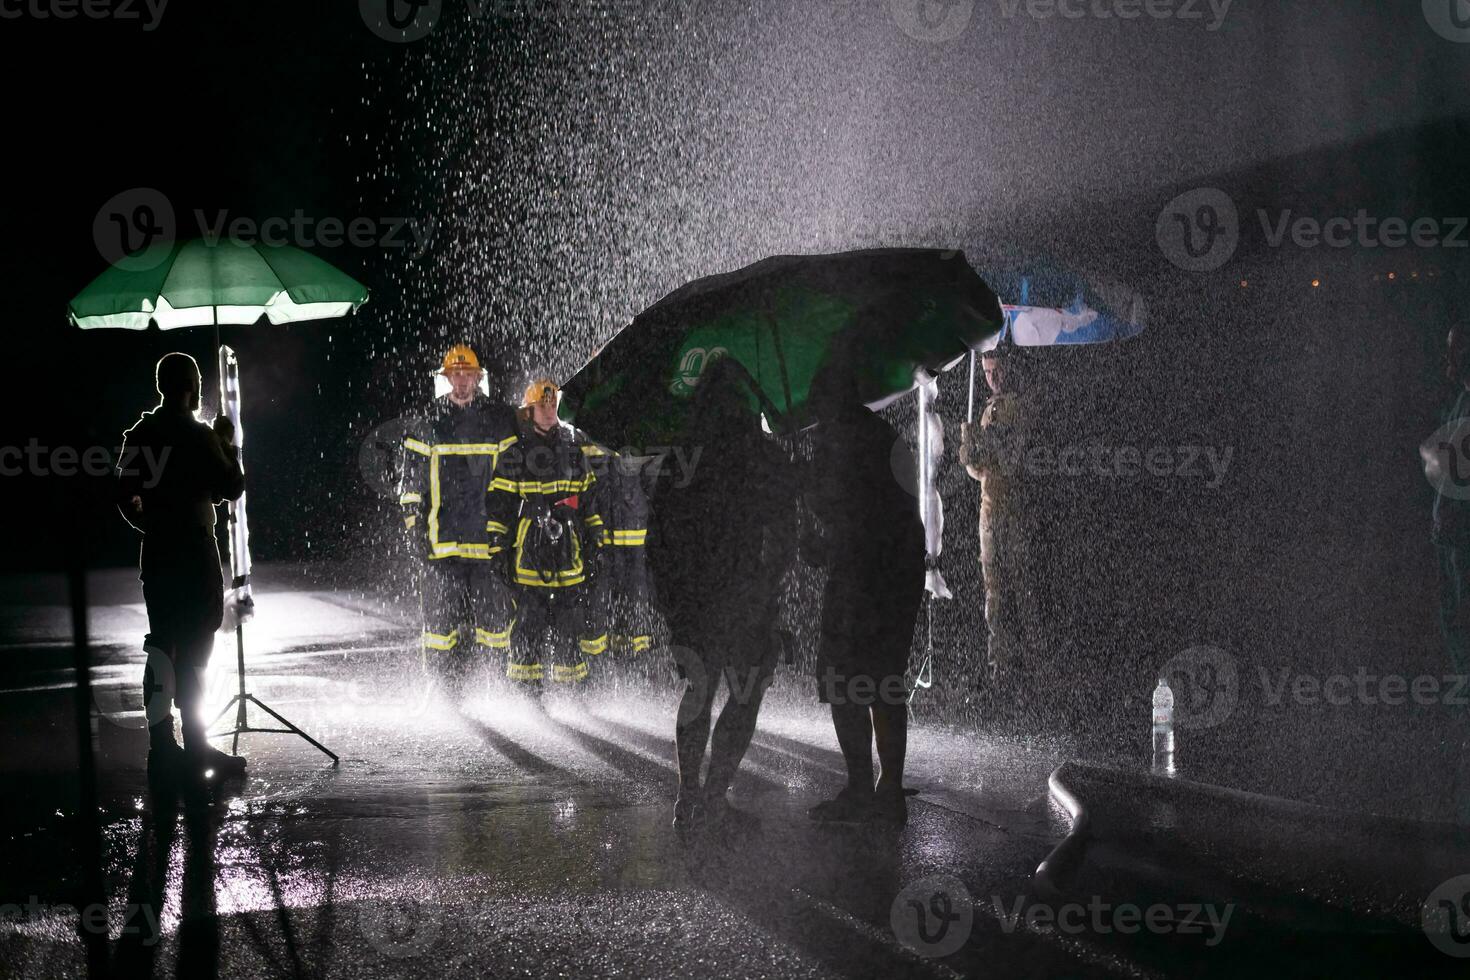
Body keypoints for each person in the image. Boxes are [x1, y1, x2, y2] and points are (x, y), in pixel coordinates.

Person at [647, 357, 799, 832]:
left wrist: (669, 603)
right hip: (746, 599)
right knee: (745, 695)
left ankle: (686, 795)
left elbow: (659, 541)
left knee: (699, 689)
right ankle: (713, 798)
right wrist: (768, 589)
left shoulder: (681, 458)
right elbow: (786, 534)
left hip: (693, 601)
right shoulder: (762, 454)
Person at [117, 352, 247, 778]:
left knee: (161, 649)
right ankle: (196, 743)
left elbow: (124, 494)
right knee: (196, 648)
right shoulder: (200, 436)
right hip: (195, 553)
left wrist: (149, 527)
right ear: (192, 388)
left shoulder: (141, 434)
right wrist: (227, 442)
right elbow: (232, 487)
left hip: (158, 553)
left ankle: (162, 748)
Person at [803, 395, 926, 826]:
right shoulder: (882, 433)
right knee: (883, 682)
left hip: (864, 577)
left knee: (844, 681)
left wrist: (809, 503)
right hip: (898, 574)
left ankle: (861, 788)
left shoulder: (836, 439)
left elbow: (845, 513)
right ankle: (888, 791)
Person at [399, 344, 519, 681]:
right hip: (442, 543)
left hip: (487, 543)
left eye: (468, 375)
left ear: (479, 378)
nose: (462, 381)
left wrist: (503, 531)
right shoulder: (428, 421)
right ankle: (441, 690)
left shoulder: (497, 420)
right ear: (447, 377)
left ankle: (496, 688)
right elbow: (411, 482)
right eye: (456, 374)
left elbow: (509, 480)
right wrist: (414, 528)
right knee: (439, 624)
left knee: (495, 622)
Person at [488, 378, 608, 690]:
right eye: (542, 405)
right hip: (530, 547)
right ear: (528, 410)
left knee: (570, 620)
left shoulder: (573, 444)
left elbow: (589, 498)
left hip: (569, 545)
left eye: (552, 403)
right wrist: (498, 547)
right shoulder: (515, 451)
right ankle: (526, 691)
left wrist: (597, 539)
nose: (548, 409)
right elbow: (500, 504)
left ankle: (572, 691)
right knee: (529, 619)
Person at [958, 347, 1037, 684]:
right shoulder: (990, 408)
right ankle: (1000, 662)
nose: (992, 378)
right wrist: (970, 457)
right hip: (990, 508)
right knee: (994, 588)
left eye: (997, 371)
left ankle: (1034, 657)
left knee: (1021, 584)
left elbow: (1008, 462)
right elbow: (984, 473)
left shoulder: (1017, 407)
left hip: (1013, 509)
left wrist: (978, 451)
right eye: (988, 372)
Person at [1432, 325, 1470, 676]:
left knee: (1462, 620)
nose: (1449, 357)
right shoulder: (1461, 399)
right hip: (1452, 536)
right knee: (1455, 619)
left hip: (1462, 537)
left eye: (1455, 350)